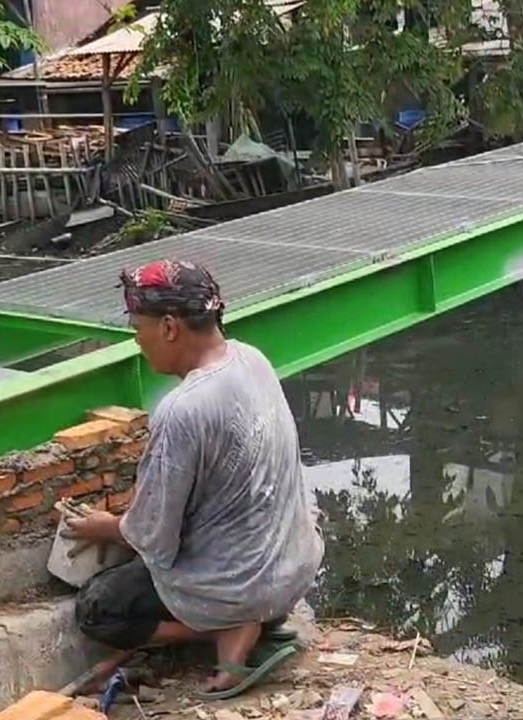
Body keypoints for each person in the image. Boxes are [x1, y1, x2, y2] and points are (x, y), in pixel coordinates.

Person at [62, 259, 323, 699]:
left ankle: (228, 625)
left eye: (137, 328)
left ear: (168, 327)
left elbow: (152, 536)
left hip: (241, 584)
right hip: (295, 567)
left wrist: (100, 527)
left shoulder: (183, 409)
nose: (137, 341)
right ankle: (252, 618)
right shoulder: (252, 359)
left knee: (99, 608)